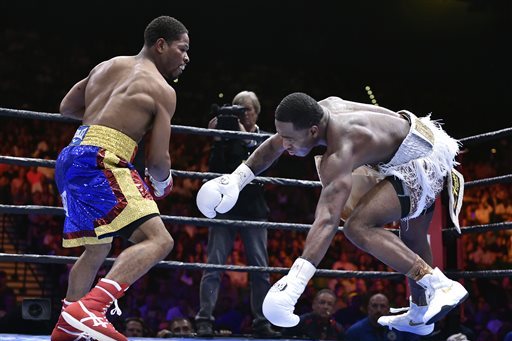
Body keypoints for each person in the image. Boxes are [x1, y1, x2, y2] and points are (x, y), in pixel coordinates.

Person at [196, 92, 468, 336]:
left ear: (313, 131)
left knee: (357, 227)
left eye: (290, 139)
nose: (285, 145)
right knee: (413, 240)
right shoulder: (320, 110)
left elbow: (327, 219)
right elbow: (274, 145)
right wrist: (236, 179)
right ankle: (421, 315)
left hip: (419, 161)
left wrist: (296, 280)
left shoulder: (341, 151)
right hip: (419, 139)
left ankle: (438, 284)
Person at [50, 15, 190, 341]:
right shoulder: (162, 90)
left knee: (97, 250)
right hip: (103, 158)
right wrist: (163, 182)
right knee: (159, 240)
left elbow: (67, 106)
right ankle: (90, 310)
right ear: (160, 45)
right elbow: (157, 160)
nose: (186, 58)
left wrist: (106, 112)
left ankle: (66, 328)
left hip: (71, 155)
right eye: (182, 49)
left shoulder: (106, 65)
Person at [194, 91, 280, 338]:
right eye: (237, 109)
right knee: (214, 265)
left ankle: (262, 322)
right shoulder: (228, 135)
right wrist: (221, 139)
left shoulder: (265, 139)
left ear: (257, 112)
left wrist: (243, 138)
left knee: (260, 269)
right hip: (225, 210)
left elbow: (265, 169)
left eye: (247, 110)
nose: (242, 114)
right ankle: (205, 319)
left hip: (254, 211)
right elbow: (215, 170)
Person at [345, 293, 420, 340]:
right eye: (374, 306)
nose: (378, 310)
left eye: (382, 306)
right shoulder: (354, 332)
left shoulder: (401, 328)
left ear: (388, 309)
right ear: (368, 309)